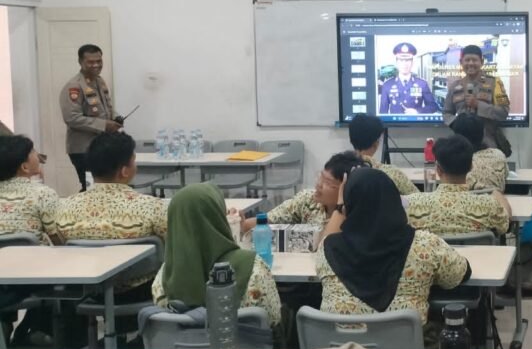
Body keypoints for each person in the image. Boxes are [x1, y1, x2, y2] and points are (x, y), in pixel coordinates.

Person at [317, 168, 470, 325]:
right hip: (406, 341)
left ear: (348, 205)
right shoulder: (425, 245)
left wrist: (339, 207)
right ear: (394, 200)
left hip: (337, 341)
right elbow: (459, 274)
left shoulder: (327, 249)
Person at [44, 132, 167, 296]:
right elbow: (172, 247)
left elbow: (59, 246)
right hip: (139, 291)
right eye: (134, 161)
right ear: (124, 171)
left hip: (85, 292)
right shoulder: (153, 207)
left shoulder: (64, 208)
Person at [151, 183, 281, 328]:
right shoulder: (253, 268)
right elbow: (273, 318)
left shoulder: (164, 277)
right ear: (217, 217)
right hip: (241, 342)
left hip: (181, 342)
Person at [405, 135, 511, 236]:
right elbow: (505, 223)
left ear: (438, 170)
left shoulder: (413, 204)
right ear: (471, 167)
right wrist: (498, 195)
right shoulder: (488, 205)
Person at [241, 151, 367, 234]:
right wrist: (242, 223)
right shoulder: (307, 200)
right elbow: (269, 220)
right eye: (321, 176)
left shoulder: (356, 215)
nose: (318, 184)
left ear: (345, 188)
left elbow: (327, 248)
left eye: (327, 182)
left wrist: (340, 208)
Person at [60, 44, 122, 192]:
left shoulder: (99, 81)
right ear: (80, 62)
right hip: (83, 149)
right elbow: (72, 118)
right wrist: (104, 125)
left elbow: (106, 107)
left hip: (101, 145)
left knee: (103, 189)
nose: (96, 65)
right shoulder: (74, 86)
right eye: (91, 62)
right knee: (90, 189)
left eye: (99, 61)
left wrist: (115, 118)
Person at [443, 45, 511, 156]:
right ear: (461, 62)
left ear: (482, 62)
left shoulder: (494, 83)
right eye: (467, 60)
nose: (470, 63)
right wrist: (457, 123)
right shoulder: (454, 86)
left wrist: (478, 105)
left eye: (474, 60)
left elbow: (504, 112)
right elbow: (446, 113)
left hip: (488, 144)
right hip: (461, 145)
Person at [0, 135, 57, 245]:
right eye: (33, 151)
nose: (38, 155)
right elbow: (57, 238)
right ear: (24, 167)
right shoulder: (43, 194)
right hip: (32, 255)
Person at [348, 113, 418, 194]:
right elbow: (417, 197)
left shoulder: (341, 169)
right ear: (376, 143)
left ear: (351, 139)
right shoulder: (392, 173)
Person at [450, 113, 508, 192]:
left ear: (456, 136)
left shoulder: (452, 161)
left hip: (464, 200)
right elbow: (505, 177)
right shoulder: (498, 155)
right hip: (495, 199)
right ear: (483, 133)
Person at [379, 43, 440, 114]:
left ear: (412, 62)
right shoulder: (387, 85)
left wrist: (418, 111)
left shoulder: (422, 84)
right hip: (395, 121)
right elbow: (383, 112)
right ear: (397, 63)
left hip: (415, 121)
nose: (404, 64)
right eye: (401, 60)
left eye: (408, 60)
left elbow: (433, 106)